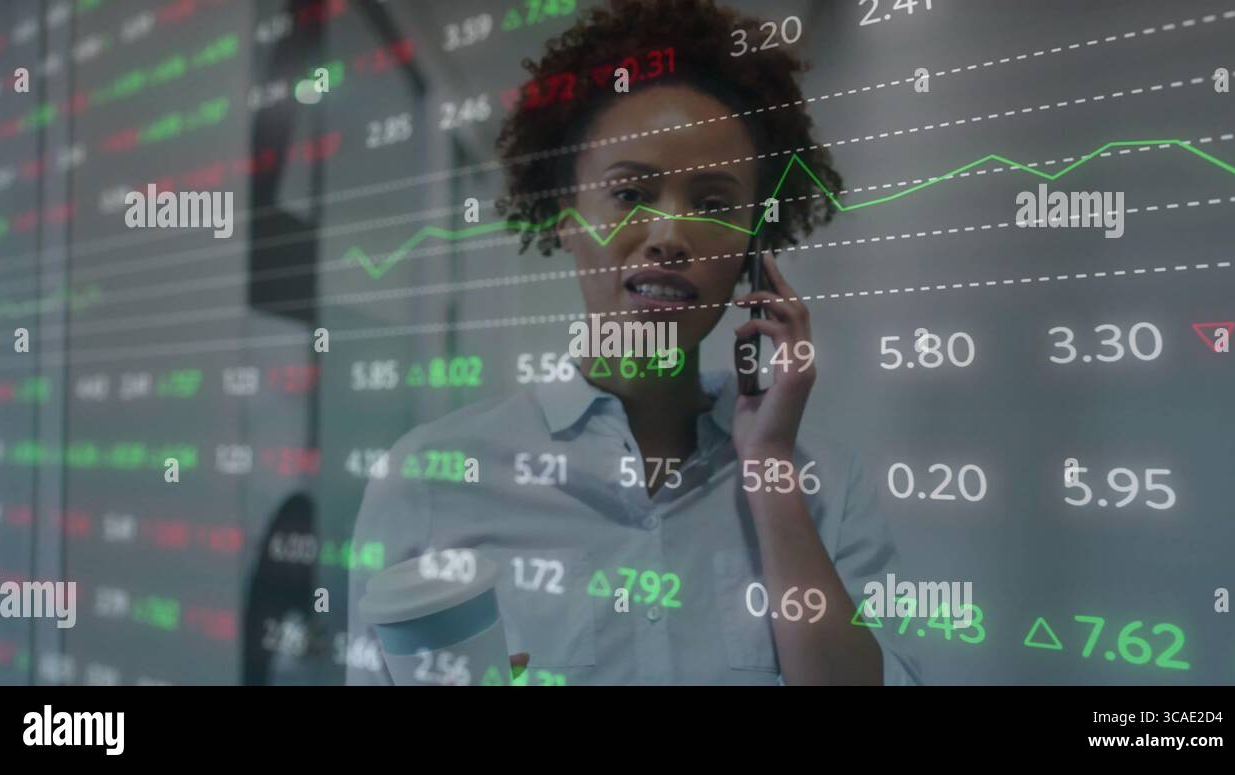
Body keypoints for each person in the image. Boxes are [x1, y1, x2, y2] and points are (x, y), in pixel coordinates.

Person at [347, 0, 919, 685]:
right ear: (564, 217)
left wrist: (768, 470)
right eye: (628, 193)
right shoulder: (429, 480)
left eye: (713, 205)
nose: (669, 233)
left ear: (752, 248)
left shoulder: (824, 484)